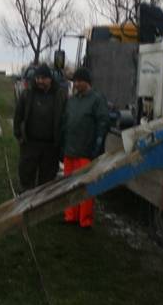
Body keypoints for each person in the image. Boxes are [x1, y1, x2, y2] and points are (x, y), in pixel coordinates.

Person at [61, 67, 110, 228]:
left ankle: (85, 220)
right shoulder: (72, 100)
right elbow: (66, 122)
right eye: (74, 81)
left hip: (86, 152)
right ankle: (70, 216)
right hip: (70, 150)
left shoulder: (97, 99)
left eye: (79, 81)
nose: (75, 84)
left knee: (85, 187)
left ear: (86, 82)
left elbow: (103, 123)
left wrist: (97, 145)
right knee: (69, 185)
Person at [13, 63, 67, 192]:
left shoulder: (60, 94)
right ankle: (24, 203)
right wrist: (19, 135)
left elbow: (65, 119)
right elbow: (18, 115)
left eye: (43, 78)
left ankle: (42, 206)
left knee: (47, 181)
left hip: (50, 146)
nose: (39, 81)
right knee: (26, 175)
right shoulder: (28, 93)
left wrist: (61, 142)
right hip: (30, 143)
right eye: (37, 78)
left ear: (50, 79)